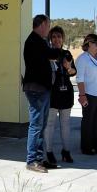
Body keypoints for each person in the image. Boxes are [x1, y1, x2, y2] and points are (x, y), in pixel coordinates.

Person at [22, 14, 73, 174]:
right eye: (48, 26)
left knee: (41, 124)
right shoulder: (34, 41)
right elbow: (51, 54)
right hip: (36, 89)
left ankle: (39, 158)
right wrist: (61, 53)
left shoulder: (39, 41)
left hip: (42, 89)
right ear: (43, 24)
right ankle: (32, 160)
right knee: (36, 125)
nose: (49, 30)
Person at [44, 26, 77, 166]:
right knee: (50, 124)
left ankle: (66, 151)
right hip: (51, 93)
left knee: (65, 123)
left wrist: (68, 67)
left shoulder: (67, 53)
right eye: (54, 37)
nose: (56, 39)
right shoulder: (47, 54)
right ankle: (49, 152)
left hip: (66, 92)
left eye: (59, 36)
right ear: (50, 39)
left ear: (63, 38)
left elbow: (74, 72)